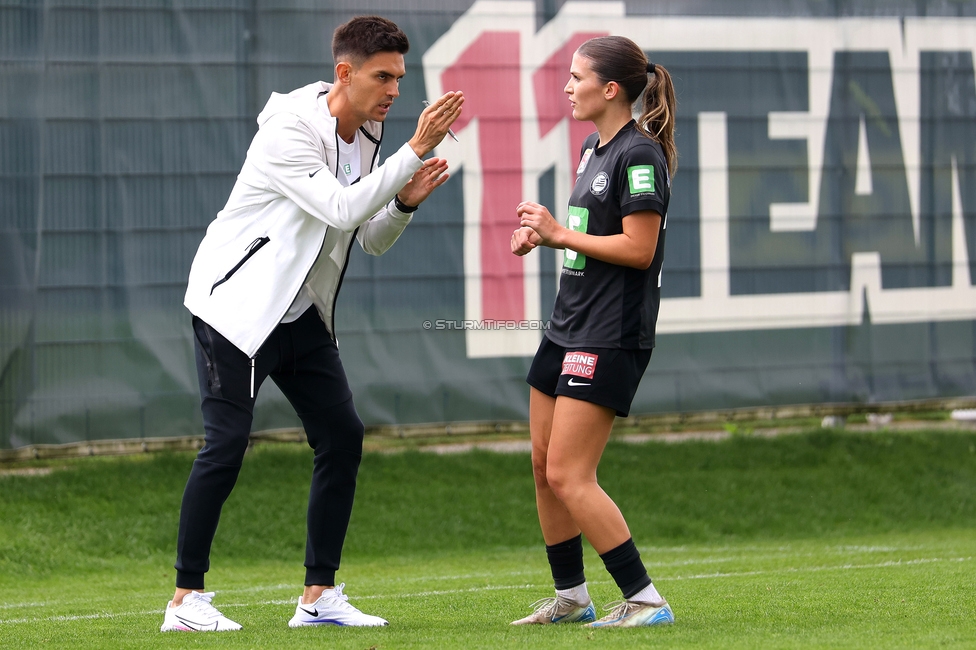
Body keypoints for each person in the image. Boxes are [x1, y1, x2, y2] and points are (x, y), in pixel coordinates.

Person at [160, 15, 463, 632]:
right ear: (344, 73)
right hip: (236, 309)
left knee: (342, 437)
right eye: (383, 77)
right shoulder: (288, 130)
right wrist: (414, 151)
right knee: (225, 446)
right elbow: (342, 205)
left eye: (401, 79)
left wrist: (403, 201)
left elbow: (366, 236)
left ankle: (318, 597)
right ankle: (185, 601)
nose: (395, 91)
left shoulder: (369, 132)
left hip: (301, 315)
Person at [509, 35, 677, 628]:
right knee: (541, 465)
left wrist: (561, 235)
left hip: (608, 335)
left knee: (568, 473)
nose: (567, 86)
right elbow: (588, 229)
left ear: (610, 89)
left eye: (576, 77)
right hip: (565, 326)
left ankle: (645, 599)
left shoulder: (641, 154)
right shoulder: (591, 148)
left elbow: (638, 249)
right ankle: (573, 598)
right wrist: (543, 234)